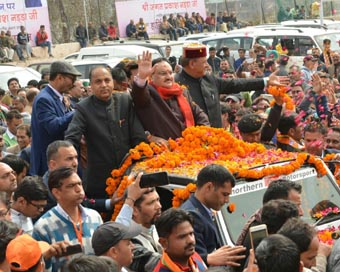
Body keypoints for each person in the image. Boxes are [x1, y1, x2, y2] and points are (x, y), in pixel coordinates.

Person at [65, 66, 146, 199]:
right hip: (99, 180)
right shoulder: (83, 108)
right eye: (98, 82)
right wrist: (68, 157)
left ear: (113, 82)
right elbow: (72, 136)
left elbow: (138, 136)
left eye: (107, 80)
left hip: (129, 175)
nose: (104, 85)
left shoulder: (124, 101)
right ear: (90, 85)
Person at [174, 44, 283, 128]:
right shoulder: (176, 85)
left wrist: (265, 81)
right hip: (191, 144)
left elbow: (235, 84)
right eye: (204, 62)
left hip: (216, 140)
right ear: (192, 64)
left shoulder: (209, 79)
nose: (207, 65)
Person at [33, 167, 103, 272]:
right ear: (56, 193)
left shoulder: (94, 217)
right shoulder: (43, 227)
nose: (79, 189)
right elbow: (38, 266)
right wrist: (47, 255)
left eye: (80, 184)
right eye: (71, 186)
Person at [132, 53, 209, 140]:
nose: (168, 77)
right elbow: (138, 93)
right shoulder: (148, 93)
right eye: (163, 73)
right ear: (151, 76)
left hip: (190, 146)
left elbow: (199, 115)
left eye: (170, 73)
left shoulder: (182, 92)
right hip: (164, 150)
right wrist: (142, 77)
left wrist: (202, 134)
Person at [181, 164, 246, 267]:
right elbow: (193, 261)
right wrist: (209, 259)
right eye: (224, 194)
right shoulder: (192, 216)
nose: (227, 201)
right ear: (209, 187)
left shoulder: (202, 210)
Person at [30, 61, 81, 176]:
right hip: (48, 165)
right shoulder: (44, 99)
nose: (73, 84)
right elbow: (53, 126)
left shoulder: (59, 97)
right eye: (72, 79)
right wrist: (76, 111)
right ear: (59, 77)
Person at [115, 175, 163, 271]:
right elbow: (153, 263)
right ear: (134, 210)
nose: (159, 206)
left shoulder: (153, 227)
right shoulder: (128, 240)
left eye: (158, 200)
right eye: (151, 203)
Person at [154, 208, 207, 272]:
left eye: (191, 233)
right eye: (182, 237)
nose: (191, 240)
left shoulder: (195, 257)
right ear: (164, 243)